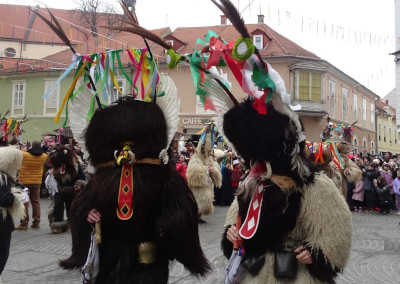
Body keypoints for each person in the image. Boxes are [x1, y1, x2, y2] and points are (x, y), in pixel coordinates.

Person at [0, 147, 26, 282]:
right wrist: (17, 197)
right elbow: (4, 200)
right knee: (2, 255)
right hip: (1, 224)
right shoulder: (2, 177)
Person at [47, 145, 86, 234]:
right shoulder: (56, 165)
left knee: (70, 207)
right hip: (58, 190)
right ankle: (58, 225)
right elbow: (50, 175)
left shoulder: (75, 165)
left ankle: (71, 225)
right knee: (57, 206)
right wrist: (50, 175)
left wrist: (79, 184)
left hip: (71, 190)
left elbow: (82, 177)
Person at [16, 141, 48, 230]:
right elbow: (47, 154)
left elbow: (18, 153)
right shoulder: (44, 156)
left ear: (31, 147)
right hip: (37, 182)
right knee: (36, 202)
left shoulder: (24, 155)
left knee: (25, 203)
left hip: (24, 182)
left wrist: (24, 149)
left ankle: (24, 223)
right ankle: (36, 222)